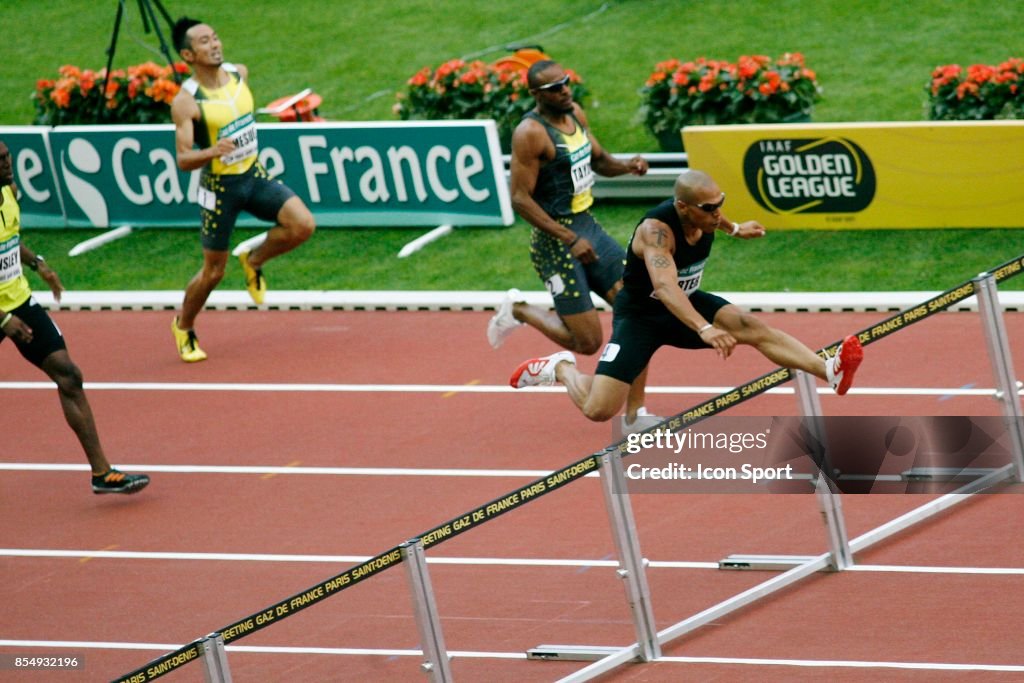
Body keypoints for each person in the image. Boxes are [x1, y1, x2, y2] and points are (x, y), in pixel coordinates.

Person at [509, 169, 864, 421]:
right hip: (642, 317)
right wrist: (703, 328)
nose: (717, 213)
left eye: (720, 203)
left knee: (750, 326)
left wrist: (736, 229)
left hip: (687, 301)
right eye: (709, 208)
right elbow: (664, 287)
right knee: (599, 411)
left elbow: (715, 218)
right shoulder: (656, 232)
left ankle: (827, 369)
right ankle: (561, 369)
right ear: (683, 208)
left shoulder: (707, 216)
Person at [487, 59, 651, 422]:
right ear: (535, 95)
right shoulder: (530, 133)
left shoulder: (575, 114)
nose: (565, 91)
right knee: (588, 343)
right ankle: (523, 315)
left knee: (638, 315)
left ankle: (636, 414)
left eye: (565, 83)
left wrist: (628, 166)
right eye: (554, 88)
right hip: (555, 242)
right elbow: (520, 199)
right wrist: (568, 238)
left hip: (588, 227)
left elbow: (600, 161)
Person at [0, 141, 149, 494]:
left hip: (17, 298)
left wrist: (37, 264)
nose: (8, 164)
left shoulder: (9, 192)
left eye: (7, 156)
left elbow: (9, 240)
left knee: (68, 374)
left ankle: (102, 473)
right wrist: (3, 319)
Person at [169, 17, 315, 362]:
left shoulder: (239, 74)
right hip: (220, 189)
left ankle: (254, 259)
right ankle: (184, 325)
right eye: (204, 42)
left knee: (303, 225)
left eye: (216, 37)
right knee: (213, 272)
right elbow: (183, 159)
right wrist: (213, 151)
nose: (215, 44)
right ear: (188, 55)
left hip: (253, 173)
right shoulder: (187, 102)